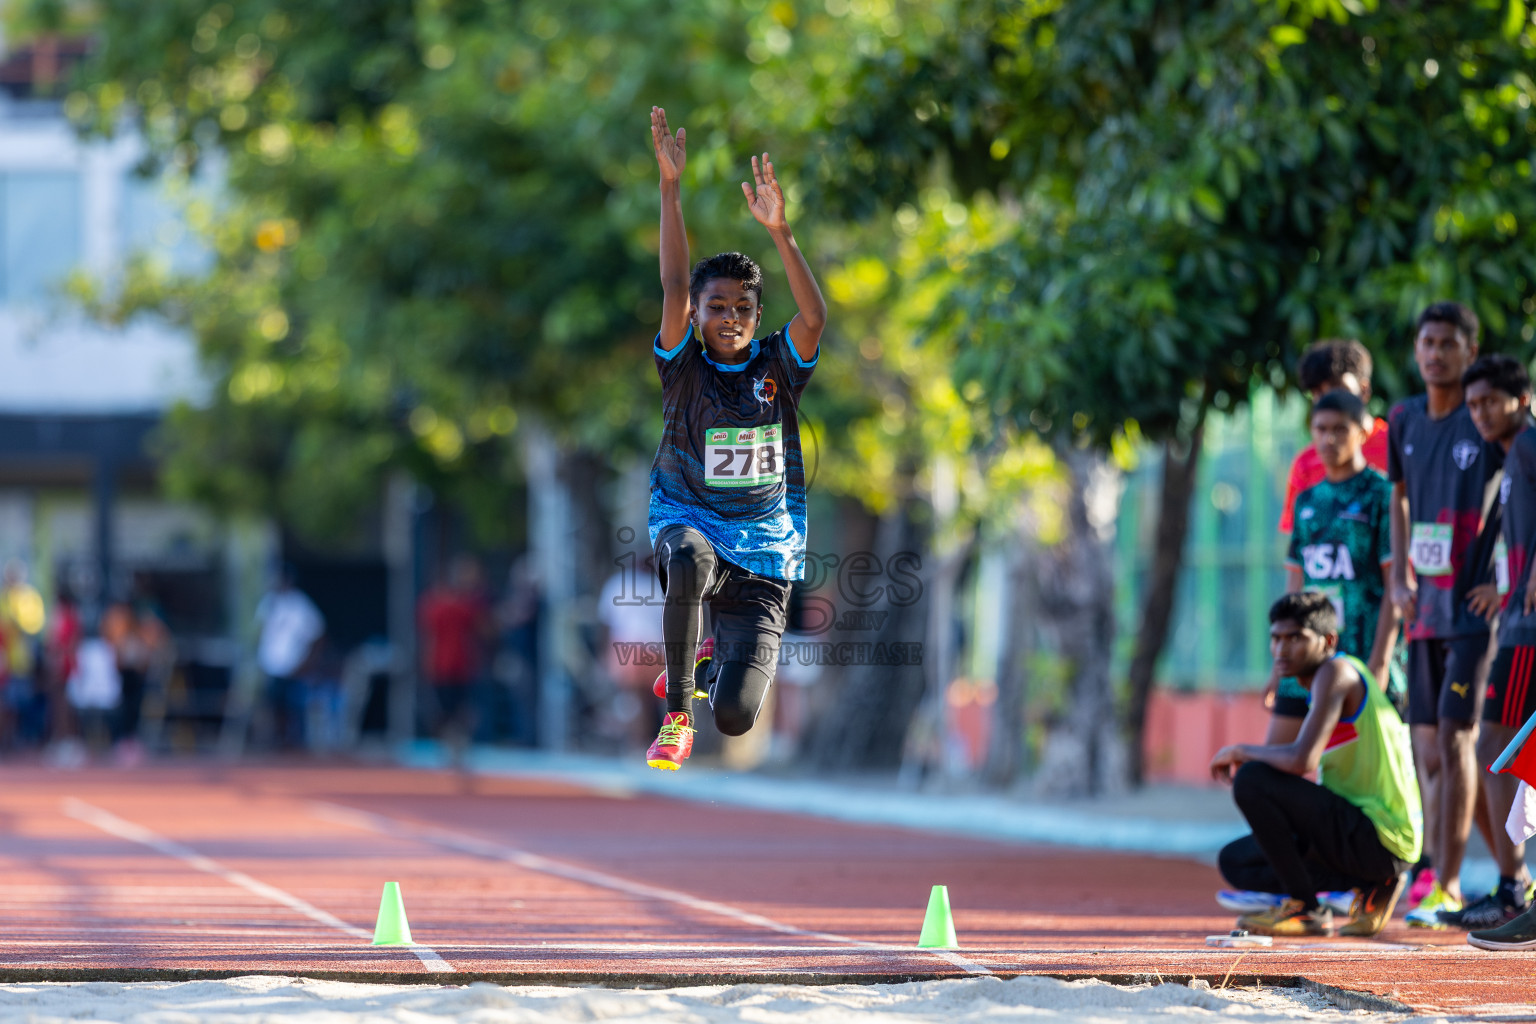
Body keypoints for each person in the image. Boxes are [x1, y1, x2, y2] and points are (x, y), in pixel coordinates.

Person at [643, 106, 827, 770]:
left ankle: (707, 662)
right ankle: (674, 719)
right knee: (687, 561)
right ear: (696, 313)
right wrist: (670, 190)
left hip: (765, 554)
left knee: (737, 714)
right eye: (715, 307)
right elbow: (670, 280)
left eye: (742, 308)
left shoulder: (778, 365)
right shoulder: (682, 364)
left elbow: (815, 314)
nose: (728, 319)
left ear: (756, 314)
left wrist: (781, 232)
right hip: (689, 516)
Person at [1213, 592, 1422, 937]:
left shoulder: (1336, 672)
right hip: (1363, 835)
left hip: (1383, 836)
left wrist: (1241, 750)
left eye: (1295, 638)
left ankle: (1305, 908)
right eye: (1276, 638)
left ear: (1327, 641)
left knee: (1251, 779)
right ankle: (1370, 883)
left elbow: (1300, 760)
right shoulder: (1320, 683)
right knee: (1236, 861)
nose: (1282, 649)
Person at [1388, 302, 1502, 927]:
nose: (1435, 353)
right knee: (1427, 750)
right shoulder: (1403, 417)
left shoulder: (1485, 419)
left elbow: (1522, 488)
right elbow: (1398, 496)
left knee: (1459, 741)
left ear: (1469, 349)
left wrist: (1501, 574)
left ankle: (1450, 883)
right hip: (1423, 611)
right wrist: (1400, 571)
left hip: (1472, 613)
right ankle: (1441, 870)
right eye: (1426, 341)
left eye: (1448, 343)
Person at [1451, 354, 1536, 928]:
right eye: (1473, 403)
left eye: (1490, 402)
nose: (1480, 413)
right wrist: (1503, 588)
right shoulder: (1510, 460)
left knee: (1495, 753)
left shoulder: (1529, 444)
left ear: (1521, 399)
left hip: (1529, 632)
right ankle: (1512, 883)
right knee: (1501, 753)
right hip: (1516, 621)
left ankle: (1513, 886)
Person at [417, 555, 491, 757]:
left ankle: (452, 743)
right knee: (457, 709)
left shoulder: (433, 605)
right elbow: (485, 630)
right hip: (456, 666)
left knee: (449, 709)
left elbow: (426, 636)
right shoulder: (464, 605)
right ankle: (454, 742)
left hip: (445, 666)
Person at [255, 568, 325, 750]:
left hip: (294, 668)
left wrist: (307, 663)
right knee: (273, 709)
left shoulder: (300, 604)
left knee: (295, 711)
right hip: (272, 667)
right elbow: (261, 632)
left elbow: (317, 635)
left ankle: (297, 751)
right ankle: (276, 746)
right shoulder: (269, 603)